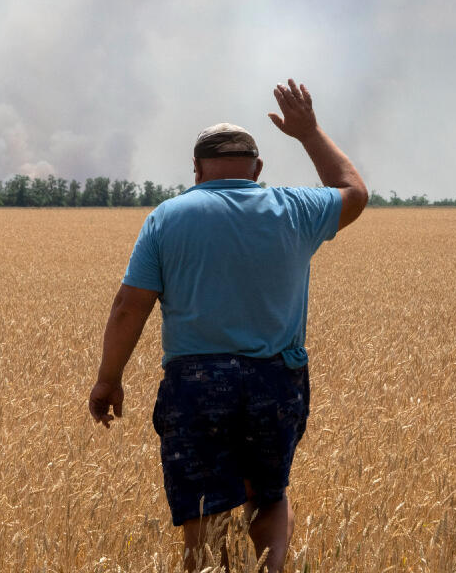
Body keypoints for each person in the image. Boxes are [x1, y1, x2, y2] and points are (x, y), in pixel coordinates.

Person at [87, 79, 367, 573]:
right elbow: (354, 191)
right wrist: (309, 133)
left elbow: (128, 308)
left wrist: (109, 379)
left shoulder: (167, 218)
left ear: (196, 170)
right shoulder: (295, 209)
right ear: (258, 169)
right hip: (276, 381)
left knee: (203, 505)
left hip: (195, 385)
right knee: (270, 493)